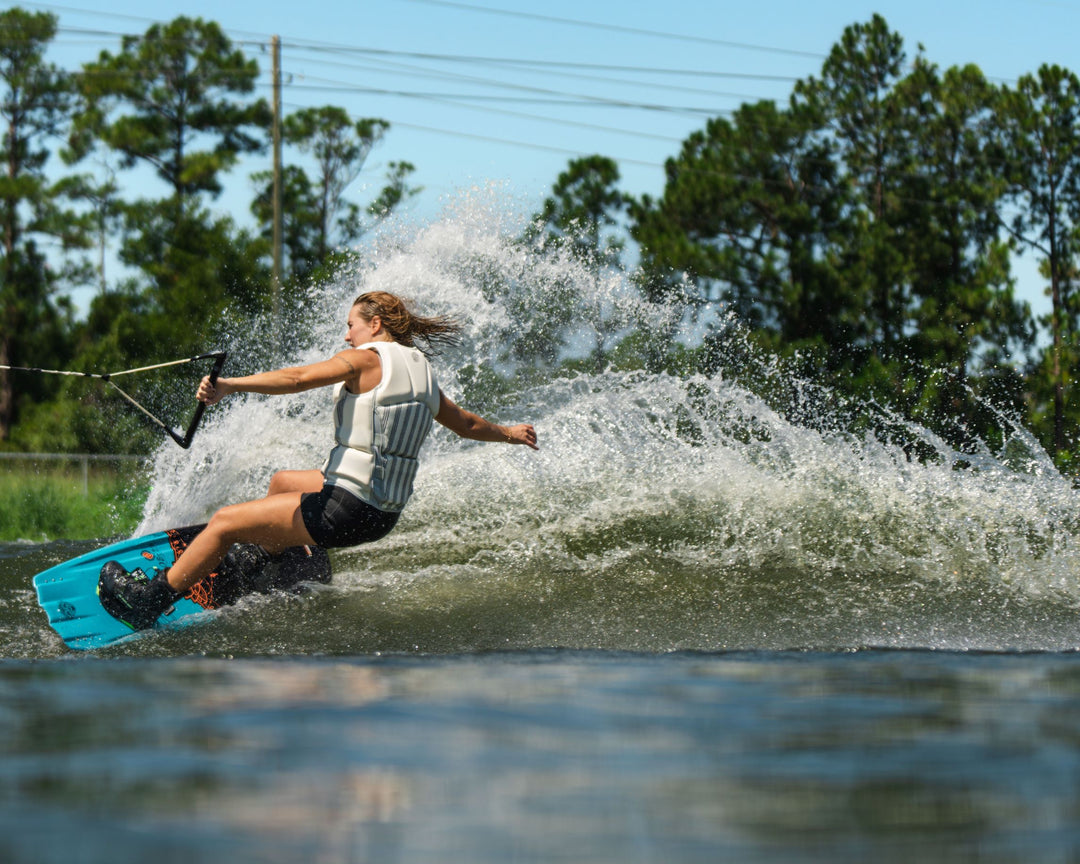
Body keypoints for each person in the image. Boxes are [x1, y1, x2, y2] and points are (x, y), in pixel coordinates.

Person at [98, 291, 539, 630]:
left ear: (375, 325)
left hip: (344, 508)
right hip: (382, 514)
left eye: (351, 325)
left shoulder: (364, 360)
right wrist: (510, 434)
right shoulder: (422, 372)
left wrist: (229, 386)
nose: (347, 335)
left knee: (225, 522)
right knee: (284, 482)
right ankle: (261, 563)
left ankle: (148, 601)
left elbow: (297, 378)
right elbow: (464, 423)